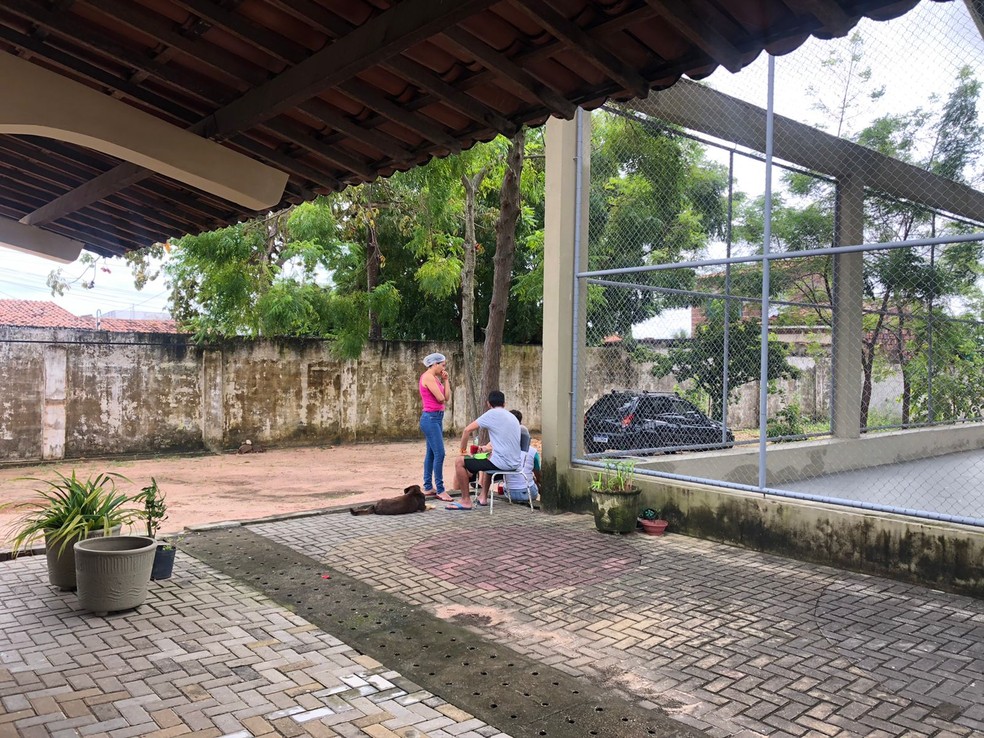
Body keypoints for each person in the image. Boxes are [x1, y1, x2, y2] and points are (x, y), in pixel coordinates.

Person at [448, 390, 522, 509]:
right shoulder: (512, 417)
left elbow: (467, 430)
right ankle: (483, 497)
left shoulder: (491, 413)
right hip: (515, 463)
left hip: (502, 464)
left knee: (459, 461)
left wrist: (462, 452)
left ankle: (465, 501)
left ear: (488, 404)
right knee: (490, 458)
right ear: (504, 404)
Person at [419, 352, 452, 502]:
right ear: (435, 364)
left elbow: (447, 397)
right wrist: (443, 392)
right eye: (442, 365)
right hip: (430, 418)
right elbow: (440, 398)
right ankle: (440, 489)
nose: (444, 368)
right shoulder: (427, 377)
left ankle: (427, 486)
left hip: (437, 418)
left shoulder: (436, 379)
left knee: (431, 453)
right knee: (440, 453)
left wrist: (446, 381)